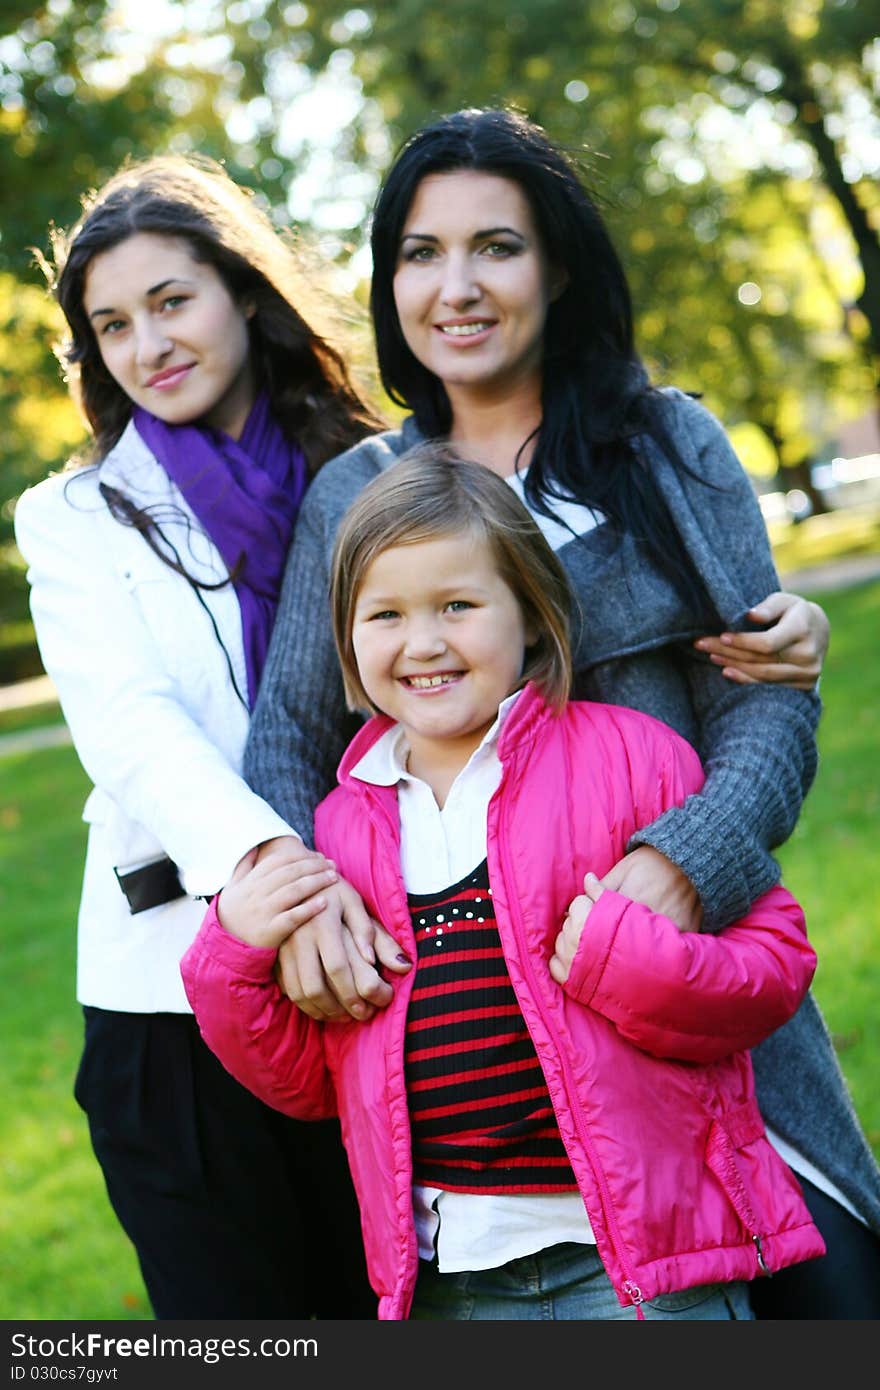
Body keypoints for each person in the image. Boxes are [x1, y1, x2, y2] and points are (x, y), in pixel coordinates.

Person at [241, 107, 880, 1317]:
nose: (456, 286)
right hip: (490, 1074)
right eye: (421, 253)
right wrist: (301, 905)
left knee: (836, 1310)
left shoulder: (661, 444)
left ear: (560, 267)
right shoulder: (359, 494)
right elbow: (289, 739)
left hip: (687, 986)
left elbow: (768, 707)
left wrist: (680, 865)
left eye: (498, 246)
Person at [182, 446, 827, 1320]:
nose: (424, 642)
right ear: (345, 637)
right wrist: (228, 956)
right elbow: (306, 1078)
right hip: (454, 1278)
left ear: (529, 612)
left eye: (458, 604)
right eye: (386, 615)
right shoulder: (340, 830)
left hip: (639, 1269)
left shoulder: (633, 758)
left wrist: (627, 960)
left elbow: (775, 965)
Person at [13, 154, 381, 1319]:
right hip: (172, 1002)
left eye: (171, 301)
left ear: (243, 292)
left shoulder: (371, 473)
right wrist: (277, 870)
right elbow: (130, 723)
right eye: (112, 325)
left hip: (383, 968)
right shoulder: (72, 519)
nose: (147, 344)